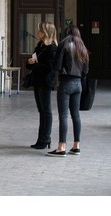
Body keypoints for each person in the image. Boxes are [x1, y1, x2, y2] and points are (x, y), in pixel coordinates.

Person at [47, 25, 89, 157]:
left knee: (63, 116)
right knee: (75, 115)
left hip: (66, 83)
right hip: (78, 84)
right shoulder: (82, 46)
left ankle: (61, 147)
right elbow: (86, 70)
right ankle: (76, 146)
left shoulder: (64, 43)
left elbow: (58, 65)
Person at [26, 22, 58, 149]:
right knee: (41, 111)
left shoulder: (52, 48)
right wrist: (29, 62)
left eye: (40, 30)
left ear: (45, 32)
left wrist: (34, 65)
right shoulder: (39, 46)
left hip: (45, 82)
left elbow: (49, 68)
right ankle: (41, 139)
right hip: (37, 81)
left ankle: (46, 139)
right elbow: (31, 63)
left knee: (46, 111)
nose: (37, 32)